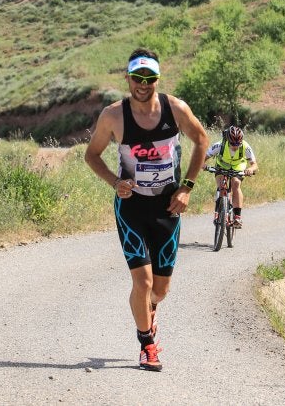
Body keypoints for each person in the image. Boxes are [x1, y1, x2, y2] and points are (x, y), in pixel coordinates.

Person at [84, 48, 209, 372]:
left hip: (168, 206)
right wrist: (115, 182)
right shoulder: (113, 116)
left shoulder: (175, 109)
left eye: (149, 78)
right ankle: (147, 345)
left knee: (160, 290)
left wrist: (187, 187)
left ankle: (149, 309)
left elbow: (202, 140)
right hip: (132, 207)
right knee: (143, 281)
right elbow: (91, 155)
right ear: (127, 78)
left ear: (157, 78)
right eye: (137, 77)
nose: (143, 84)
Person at [203, 125, 257, 228]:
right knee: (221, 185)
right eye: (233, 144)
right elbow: (204, 157)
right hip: (221, 166)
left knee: (236, 183)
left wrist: (250, 169)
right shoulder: (219, 145)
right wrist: (203, 164)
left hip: (238, 167)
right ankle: (218, 212)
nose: (235, 146)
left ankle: (237, 217)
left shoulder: (245, 146)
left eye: (238, 144)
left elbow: (254, 164)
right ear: (227, 140)